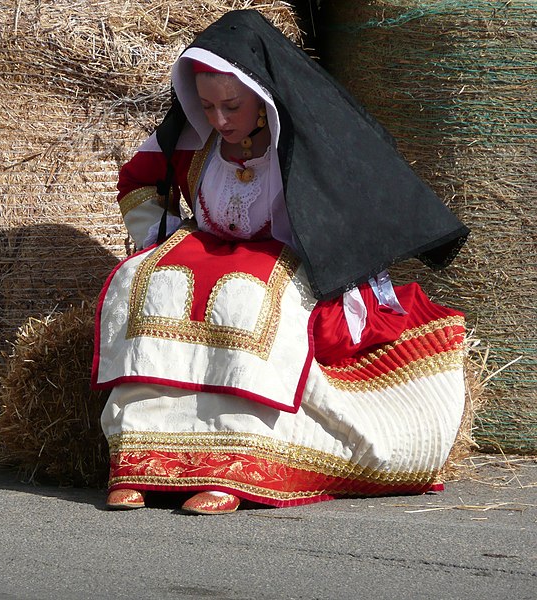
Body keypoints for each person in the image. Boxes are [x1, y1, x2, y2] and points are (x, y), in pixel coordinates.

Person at [91, 10, 469, 515]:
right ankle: (137, 461)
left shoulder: (310, 146)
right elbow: (138, 180)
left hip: (288, 264)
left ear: (262, 95)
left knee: (245, 302)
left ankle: (231, 467)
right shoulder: (193, 138)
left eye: (232, 106)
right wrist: (159, 241)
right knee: (146, 282)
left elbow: (361, 207)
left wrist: (333, 260)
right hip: (204, 251)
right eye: (206, 105)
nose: (219, 120)